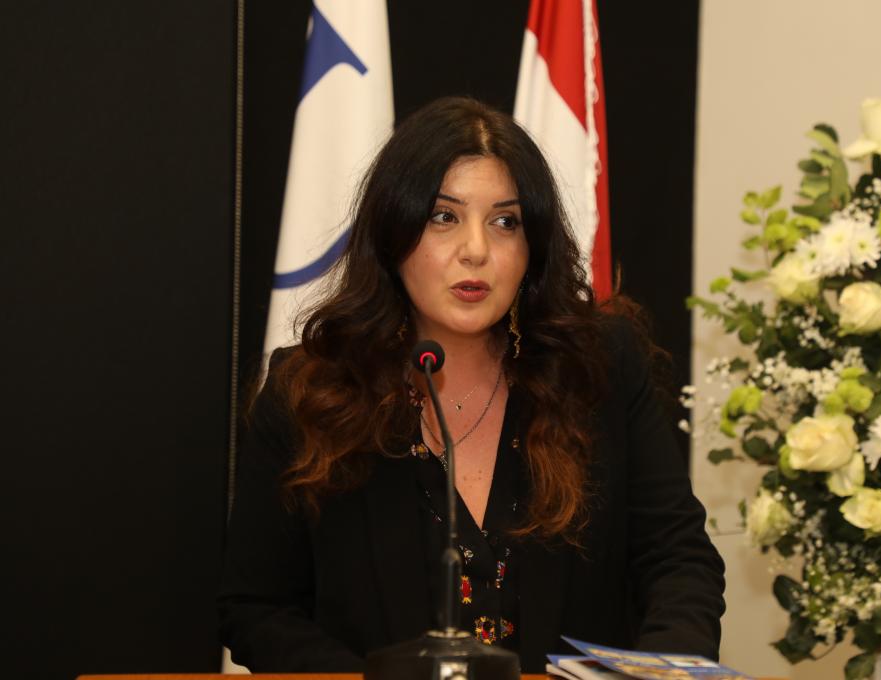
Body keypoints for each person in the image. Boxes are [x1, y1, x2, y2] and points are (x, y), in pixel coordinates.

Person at [218, 96, 725, 674]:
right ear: (393, 230)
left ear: (533, 247)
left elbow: (679, 561)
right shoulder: (310, 391)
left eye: (506, 222)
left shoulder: (597, 366)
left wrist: (659, 672)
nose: (477, 251)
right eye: (444, 217)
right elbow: (257, 609)